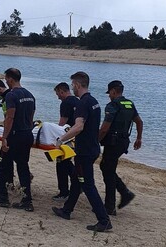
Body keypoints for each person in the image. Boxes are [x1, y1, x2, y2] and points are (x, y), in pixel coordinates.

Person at [52, 72, 112, 232]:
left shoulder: (82, 104)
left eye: (73, 85)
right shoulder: (94, 102)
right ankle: (66, 210)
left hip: (84, 151)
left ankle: (103, 219)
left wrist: (61, 139)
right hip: (93, 147)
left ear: (78, 85)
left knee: (88, 184)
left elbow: (79, 127)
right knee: (76, 180)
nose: (72, 87)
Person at [0, 68, 36, 212]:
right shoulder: (30, 95)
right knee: (23, 167)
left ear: (10, 79)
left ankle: (2, 197)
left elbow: (10, 117)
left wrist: (4, 138)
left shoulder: (12, 96)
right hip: (27, 134)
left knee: (2, 164)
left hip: (15, 135)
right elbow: (32, 115)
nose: (6, 81)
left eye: (6, 79)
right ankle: (27, 200)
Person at [98, 80, 143, 216]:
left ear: (113, 91)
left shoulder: (112, 105)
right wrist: (139, 138)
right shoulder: (129, 104)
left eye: (109, 93)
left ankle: (112, 205)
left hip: (113, 142)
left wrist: (96, 141)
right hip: (124, 142)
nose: (109, 96)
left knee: (108, 172)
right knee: (106, 168)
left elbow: (105, 128)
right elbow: (139, 121)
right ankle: (123, 194)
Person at [52, 82, 77, 201]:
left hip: (68, 137)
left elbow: (62, 124)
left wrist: (57, 139)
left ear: (62, 91)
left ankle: (64, 192)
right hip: (77, 137)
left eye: (58, 94)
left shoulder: (66, 103)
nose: (58, 97)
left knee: (61, 162)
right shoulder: (78, 101)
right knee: (67, 162)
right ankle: (77, 183)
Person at [0, 79, 14, 186]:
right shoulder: (13, 94)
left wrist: (4, 135)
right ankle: (10, 181)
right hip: (20, 131)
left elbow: (8, 117)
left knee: (3, 158)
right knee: (12, 157)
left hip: (10, 133)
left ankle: (5, 183)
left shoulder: (7, 98)